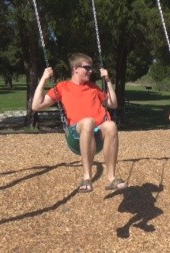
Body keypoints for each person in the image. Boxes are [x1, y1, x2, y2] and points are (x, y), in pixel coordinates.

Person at [32, 53, 127, 193]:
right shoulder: (62, 87)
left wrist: (107, 80)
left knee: (111, 125)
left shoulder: (94, 87)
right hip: (76, 134)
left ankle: (111, 178)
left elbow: (113, 104)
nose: (90, 71)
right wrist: (44, 80)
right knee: (88, 121)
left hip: (98, 134)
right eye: (87, 68)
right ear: (75, 68)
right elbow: (36, 106)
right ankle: (87, 177)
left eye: (91, 68)